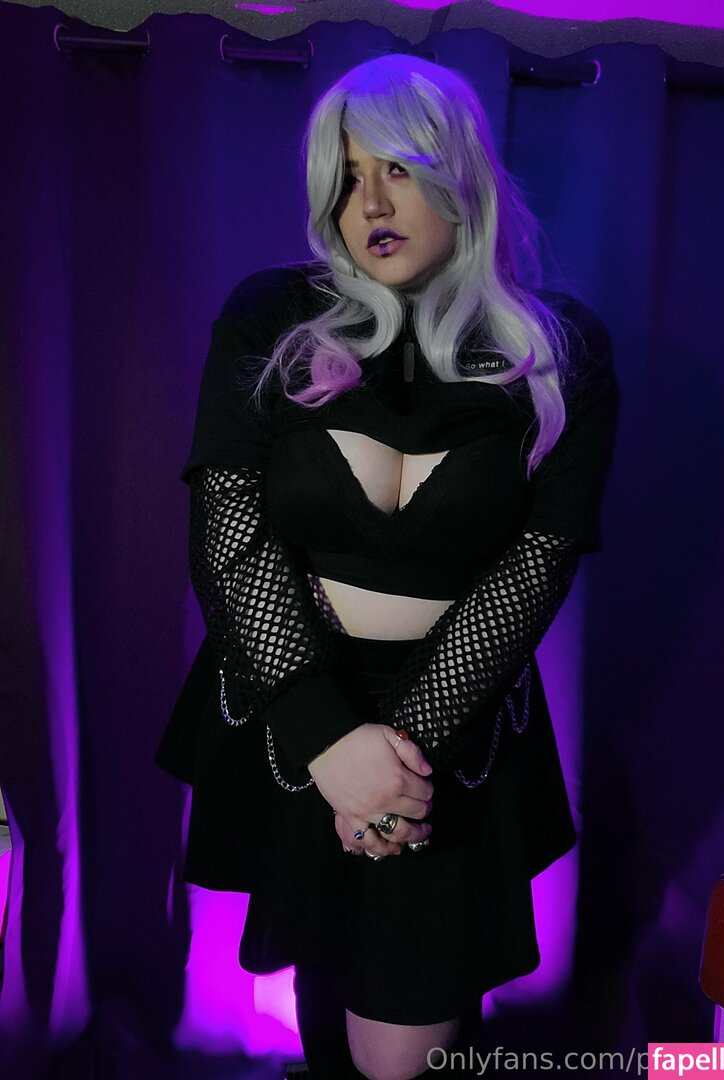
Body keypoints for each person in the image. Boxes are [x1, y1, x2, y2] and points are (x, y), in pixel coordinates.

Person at [155, 53, 619, 1080]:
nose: (369, 202)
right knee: (325, 982)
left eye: (398, 169)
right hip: (291, 702)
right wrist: (326, 738)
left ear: (461, 175)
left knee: (403, 1044)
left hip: (451, 723)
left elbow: (537, 565)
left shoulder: (560, 351)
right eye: (347, 175)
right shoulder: (273, 316)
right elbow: (230, 534)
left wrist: (393, 763)